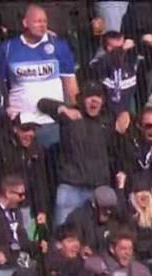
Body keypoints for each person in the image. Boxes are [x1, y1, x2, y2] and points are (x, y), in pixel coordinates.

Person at [38, 81, 127, 225]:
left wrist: (124, 114)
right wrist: (62, 109)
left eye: (98, 96)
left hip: (98, 190)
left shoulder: (108, 119)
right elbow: (42, 103)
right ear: (81, 99)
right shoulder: (70, 115)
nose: (94, 100)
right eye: (89, 96)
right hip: (71, 187)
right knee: (64, 234)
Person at [0, 3, 78, 146]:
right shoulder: (8, 48)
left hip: (52, 123)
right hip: (22, 124)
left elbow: (70, 85)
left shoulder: (59, 46)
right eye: (37, 21)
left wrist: (75, 114)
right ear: (25, 23)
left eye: (45, 21)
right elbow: (1, 86)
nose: (42, 25)